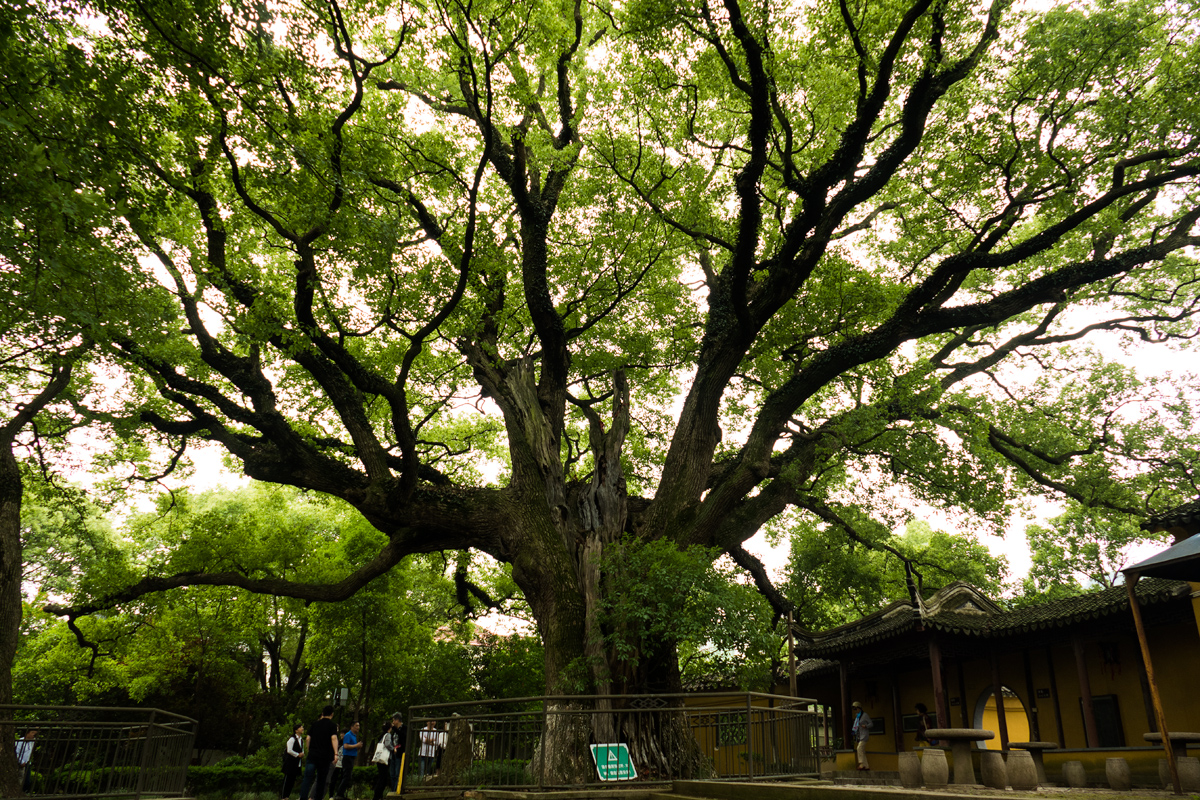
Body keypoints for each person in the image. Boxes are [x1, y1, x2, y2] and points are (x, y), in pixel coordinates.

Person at [298, 706, 339, 800]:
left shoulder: (315, 724)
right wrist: (336, 753)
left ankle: (303, 797)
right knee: (321, 779)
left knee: (307, 778)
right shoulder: (332, 725)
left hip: (313, 755)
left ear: (322, 713)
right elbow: (333, 738)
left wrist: (309, 750)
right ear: (332, 714)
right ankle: (318, 797)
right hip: (325, 756)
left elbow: (308, 738)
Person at [375, 713, 405, 798]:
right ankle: (388, 791)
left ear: (397, 720)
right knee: (388, 776)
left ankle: (393, 791)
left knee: (394, 774)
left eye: (394, 720)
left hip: (397, 754)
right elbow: (388, 743)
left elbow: (403, 737)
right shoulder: (388, 734)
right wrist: (393, 749)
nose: (393, 722)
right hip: (389, 756)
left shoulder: (402, 729)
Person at [334, 721, 360, 800]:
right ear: (352, 727)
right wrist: (356, 745)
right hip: (347, 757)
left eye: (358, 726)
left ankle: (341, 794)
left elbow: (352, 746)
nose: (358, 727)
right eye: (356, 726)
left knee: (348, 777)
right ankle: (339, 794)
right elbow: (346, 746)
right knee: (346, 776)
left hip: (351, 757)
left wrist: (357, 747)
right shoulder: (348, 735)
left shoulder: (354, 736)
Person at [282, 722, 304, 799]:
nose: (302, 729)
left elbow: (302, 749)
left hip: (296, 763)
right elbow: (289, 750)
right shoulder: (292, 739)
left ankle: (287, 796)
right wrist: (297, 754)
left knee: (292, 780)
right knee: (287, 780)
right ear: (296, 730)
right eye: (300, 727)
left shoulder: (301, 740)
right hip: (290, 763)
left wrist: (302, 754)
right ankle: (283, 796)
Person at [851, 701, 872, 771]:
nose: (855, 711)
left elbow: (871, 724)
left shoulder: (865, 715)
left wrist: (865, 726)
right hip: (859, 735)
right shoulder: (857, 716)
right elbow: (855, 727)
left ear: (859, 708)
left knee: (859, 748)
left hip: (864, 735)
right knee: (862, 751)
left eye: (856, 709)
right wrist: (853, 733)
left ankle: (861, 764)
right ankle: (866, 766)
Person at [15, 728, 38, 794]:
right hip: (21, 763)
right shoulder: (20, 741)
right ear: (27, 733)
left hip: (27, 763)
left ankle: (23, 793)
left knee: (27, 781)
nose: (34, 735)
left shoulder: (32, 742)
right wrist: (21, 762)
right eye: (32, 733)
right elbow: (17, 753)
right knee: (21, 779)